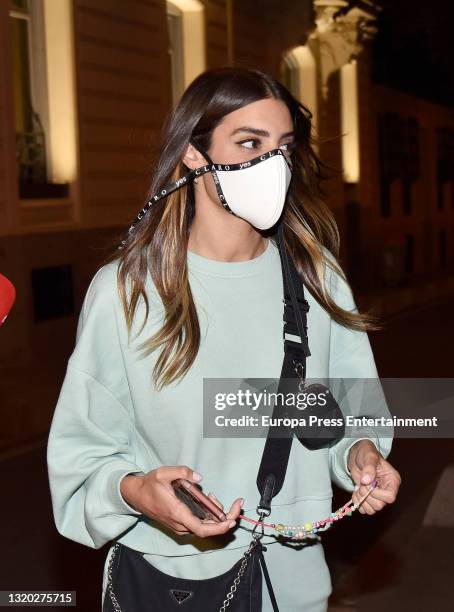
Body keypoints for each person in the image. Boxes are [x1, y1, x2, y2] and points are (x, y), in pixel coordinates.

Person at [47, 67, 401, 611]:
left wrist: (359, 454)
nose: (270, 164)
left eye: (282, 146)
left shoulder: (316, 278)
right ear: (193, 153)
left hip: (295, 584)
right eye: (248, 142)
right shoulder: (128, 292)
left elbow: (340, 414)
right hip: (174, 580)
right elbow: (82, 457)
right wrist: (138, 491)